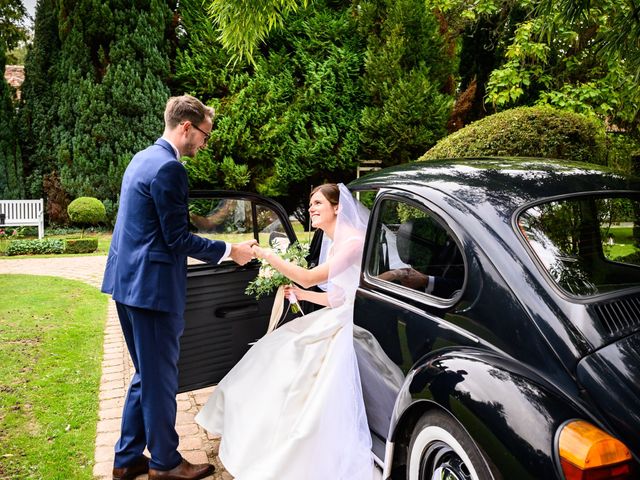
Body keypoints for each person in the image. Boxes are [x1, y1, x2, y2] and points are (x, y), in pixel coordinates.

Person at [102, 94, 256, 480]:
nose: (204, 143)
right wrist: (229, 250)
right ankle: (166, 464)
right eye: (204, 134)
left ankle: (126, 458)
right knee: (160, 379)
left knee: (145, 374)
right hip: (153, 292)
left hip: (126, 284)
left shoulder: (142, 158)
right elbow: (177, 239)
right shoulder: (170, 169)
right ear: (186, 126)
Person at [195, 183, 374, 480]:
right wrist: (305, 297)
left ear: (338, 207)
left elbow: (307, 277)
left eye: (317, 203)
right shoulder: (333, 239)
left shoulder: (353, 241)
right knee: (271, 351)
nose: (312, 208)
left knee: (290, 356)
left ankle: (284, 445)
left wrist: (268, 256)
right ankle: (252, 430)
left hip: (349, 322)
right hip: (340, 312)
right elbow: (338, 295)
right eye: (311, 202)